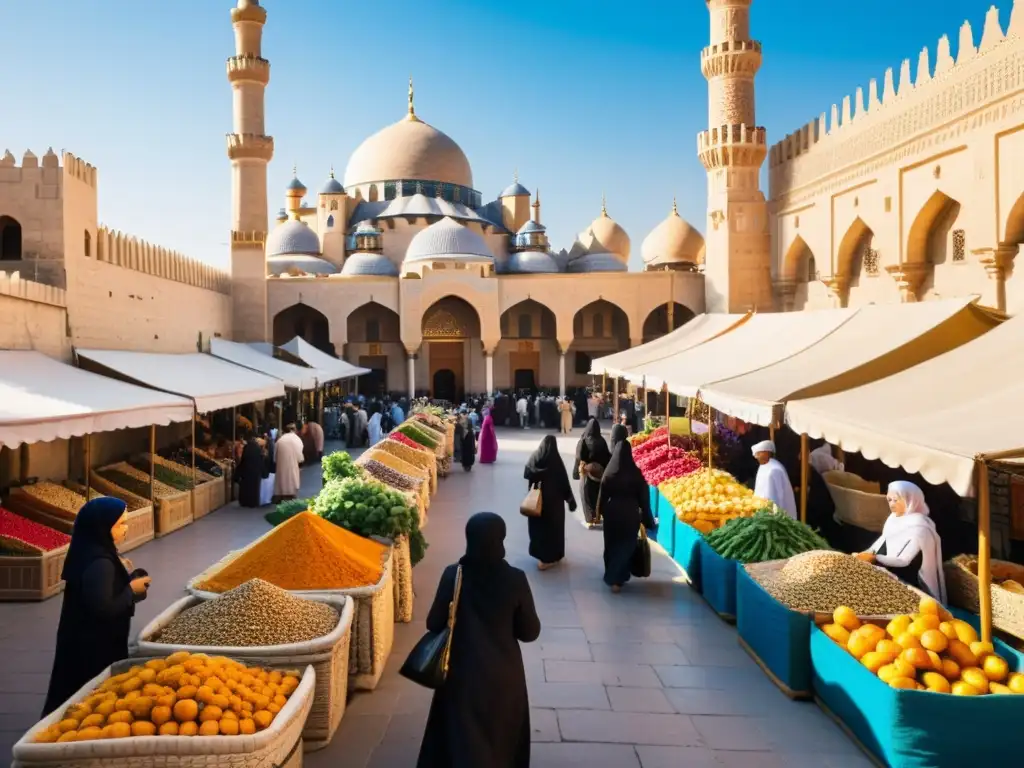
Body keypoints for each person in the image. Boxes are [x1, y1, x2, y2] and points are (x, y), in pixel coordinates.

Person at [416, 512, 540, 768]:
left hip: (460, 674)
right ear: (501, 539)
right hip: (504, 676)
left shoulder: (454, 575)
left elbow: (433, 623)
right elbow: (530, 633)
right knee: (501, 735)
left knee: (461, 737)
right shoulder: (515, 579)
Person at [42, 498, 151, 716]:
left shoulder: (92, 552)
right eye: (120, 524)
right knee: (87, 697)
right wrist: (130, 589)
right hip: (93, 646)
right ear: (102, 527)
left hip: (82, 639)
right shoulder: (100, 562)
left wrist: (125, 581)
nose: (126, 529)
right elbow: (103, 608)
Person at [857, 481, 946, 601]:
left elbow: (904, 561)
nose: (892, 504)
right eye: (889, 500)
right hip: (889, 571)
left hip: (910, 578)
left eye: (896, 500)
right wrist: (867, 553)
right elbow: (883, 541)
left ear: (910, 500)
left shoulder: (920, 527)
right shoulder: (894, 518)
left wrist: (875, 557)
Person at [598, 440, 656, 592]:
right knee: (626, 546)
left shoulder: (609, 472)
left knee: (611, 545)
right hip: (630, 514)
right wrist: (648, 520)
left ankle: (611, 574)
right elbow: (644, 500)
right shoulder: (636, 474)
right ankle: (617, 578)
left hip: (612, 514)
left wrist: (600, 512)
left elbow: (602, 495)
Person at [524, 435, 577, 570]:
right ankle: (551, 557)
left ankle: (541, 557)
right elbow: (564, 482)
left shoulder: (535, 457)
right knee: (553, 531)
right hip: (554, 505)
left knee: (538, 529)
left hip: (538, 502)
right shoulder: (556, 462)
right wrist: (570, 500)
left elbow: (527, 473)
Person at [573, 419, 611, 527]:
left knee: (586, 496)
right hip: (599, 474)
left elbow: (578, 457)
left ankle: (589, 520)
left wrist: (576, 472)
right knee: (597, 496)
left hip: (587, 474)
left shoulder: (583, 441)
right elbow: (607, 457)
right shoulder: (602, 441)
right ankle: (598, 516)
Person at [752, 440, 798, 519]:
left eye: (759, 454)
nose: (756, 457)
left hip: (775, 517)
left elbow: (775, 498)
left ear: (767, 453)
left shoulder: (774, 470)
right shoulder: (763, 466)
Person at [273, 424, 305, 502]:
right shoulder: (297, 439)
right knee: (292, 478)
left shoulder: (280, 440)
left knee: (282, 478)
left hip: (281, 465)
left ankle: (281, 494)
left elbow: (275, 456)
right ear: (294, 430)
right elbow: (300, 457)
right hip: (292, 464)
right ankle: (290, 494)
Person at [235, 432, 264, 508]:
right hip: (256, 470)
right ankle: (253, 502)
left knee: (246, 486)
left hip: (247, 470)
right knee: (254, 487)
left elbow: (243, 459)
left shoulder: (247, 447)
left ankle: (245, 501)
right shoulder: (258, 447)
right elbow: (261, 459)